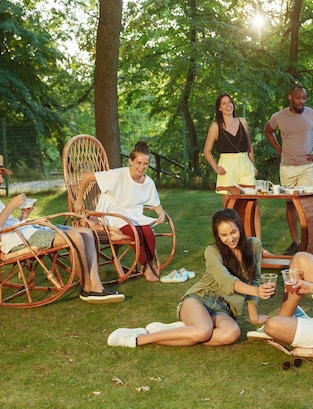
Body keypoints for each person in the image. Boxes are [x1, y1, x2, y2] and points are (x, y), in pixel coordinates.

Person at [0, 152, 124, 304]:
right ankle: (89, 289)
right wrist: (9, 206)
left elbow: (7, 223)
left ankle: (96, 285)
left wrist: (22, 217)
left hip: (26, 231)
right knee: (74, 237)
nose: (1, 181)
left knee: (86, 232)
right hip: (17, 241)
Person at [106, 208, 275, 348]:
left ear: (240, 228)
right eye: (224, 235)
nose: (230, 238)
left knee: (232, 333)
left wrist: (254, 317)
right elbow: (226, 281)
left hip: (225, 310)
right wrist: (257, 291)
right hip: (200, 299)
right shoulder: (212, 252)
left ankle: (184, 330)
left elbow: (254, 278)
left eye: (233, 232)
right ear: (218, 236)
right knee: (203, 331)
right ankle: (140, 338)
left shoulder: (254, 245)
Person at [74, 141, 168, 282]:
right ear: (131, 161)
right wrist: (79, 199)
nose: (142, 167)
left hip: (134, 214)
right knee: (135, 233)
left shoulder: (148, 183)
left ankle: (150, 262)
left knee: (148, 233)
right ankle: (145, 267)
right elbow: (87, 177)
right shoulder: (118, 175)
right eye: (139, 162)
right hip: (113, 214)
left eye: (146, 164)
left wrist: (161, 215)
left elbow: (157, 205)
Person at [264, 85, 313, 255]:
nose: (301, 101)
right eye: (298, 98)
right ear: (290, 97)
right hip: (287, 167)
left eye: (304, 98)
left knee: (309, 205)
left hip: (306, 168)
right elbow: (268, 131)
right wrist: (279, 150)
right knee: (290, 204)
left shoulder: (312, 114)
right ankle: (295, 242)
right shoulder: (279, 116)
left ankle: (310, 242)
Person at [203, 93, 257, 203]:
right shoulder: (215, 127)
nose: (228, 105)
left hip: (245, 164)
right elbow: (207, 151)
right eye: (224, 103)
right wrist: (216, 167)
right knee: (230, 205)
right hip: (227, 166)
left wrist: (253, 166)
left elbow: (249, 147)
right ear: (219, 108)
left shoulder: (242, 122)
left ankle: (254, 221)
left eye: (230, 102)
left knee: (252, 204)